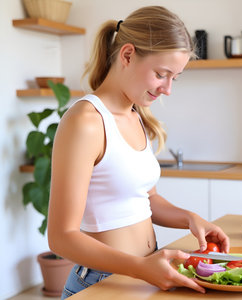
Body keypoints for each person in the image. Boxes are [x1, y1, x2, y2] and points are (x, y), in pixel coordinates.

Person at [47, 6, 229, 299]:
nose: (167, 89)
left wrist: (190, 218)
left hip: (141, 276)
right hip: (102, 283)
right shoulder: (86, 121)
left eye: (175, 78)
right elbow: (61, 237)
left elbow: (147, 198)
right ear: (128, 55)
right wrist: (141, 268)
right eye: (161, 74)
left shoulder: (137, 115)